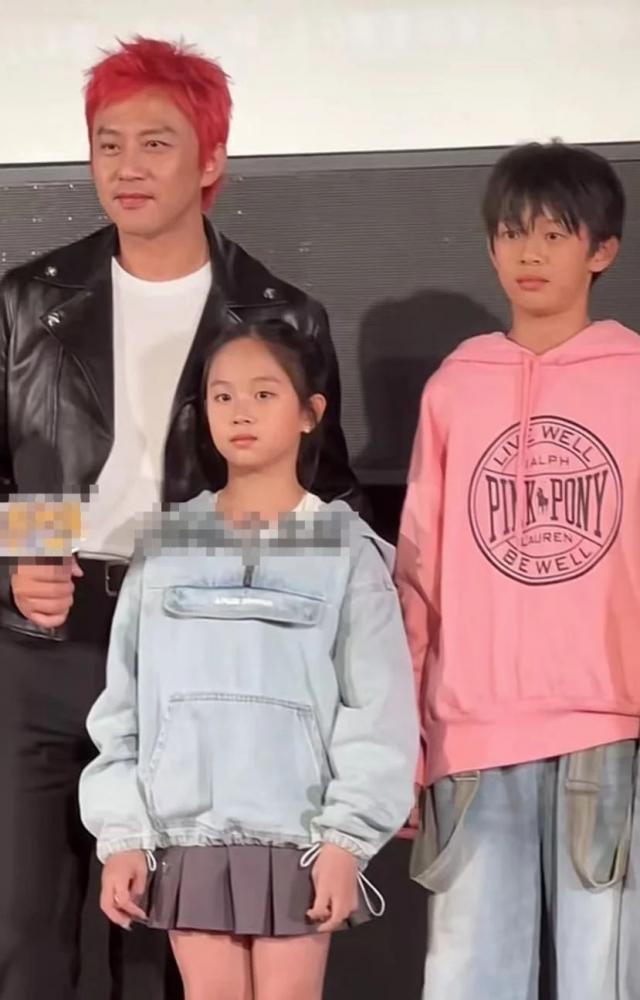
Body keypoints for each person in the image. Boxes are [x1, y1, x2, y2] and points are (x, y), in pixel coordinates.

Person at [0, 37, 361, 1000]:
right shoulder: (29, 300)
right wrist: (19, 563)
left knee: (168, 939)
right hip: (45, 641)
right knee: (24, 931)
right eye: (107, 143)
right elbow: (13, 463)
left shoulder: (279, 315)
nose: (127, 166)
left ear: (210, 160)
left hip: (202, 655)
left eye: (155, 143)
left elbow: (328, 499)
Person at [78, 319, 418, 1000]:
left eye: (264, 394)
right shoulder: (166, 545)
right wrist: (123, 834)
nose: (240, 412)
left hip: (302, 835)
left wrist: (346, 840)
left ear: (309, 413)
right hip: (186, 833)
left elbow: (378, 711)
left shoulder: (347, 550)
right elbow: (122, 708)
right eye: (222, 396)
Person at [395, 141, 640, 1000]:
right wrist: (405, 738)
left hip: (611, 729)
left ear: (602, 250)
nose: (528, 253)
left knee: (606, 979)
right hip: (472, 734)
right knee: (468, 979)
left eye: (553, 233)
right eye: (511, 233)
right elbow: (418, 572)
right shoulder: (455, 387)